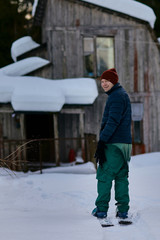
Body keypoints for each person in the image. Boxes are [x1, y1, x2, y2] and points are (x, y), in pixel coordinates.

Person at [92, 68, 132, 220]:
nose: (104, 84)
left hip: (113, 143)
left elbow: (113, 121)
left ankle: (101, 209)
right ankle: (123, 210)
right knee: (121, 176)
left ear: (114, 81)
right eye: (102, 81)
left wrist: (102, 141)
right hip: (125, 144)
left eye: (107, 81)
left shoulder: (116, 96)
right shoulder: (122, 95)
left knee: (105, 175)